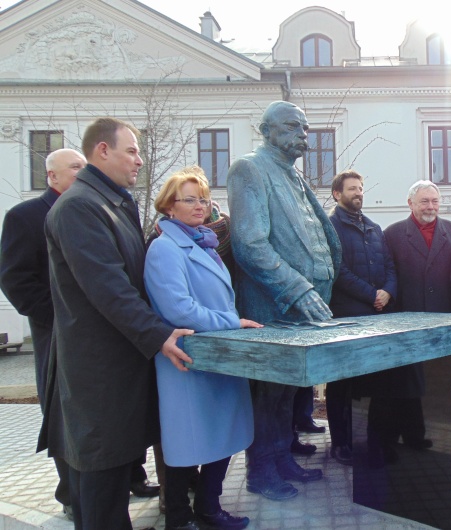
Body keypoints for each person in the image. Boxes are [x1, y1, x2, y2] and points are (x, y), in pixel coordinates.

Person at [39, 117, 194, 530]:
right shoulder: (79, 207)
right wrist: (159, 334)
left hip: (118, 366)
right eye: (131, 151)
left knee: (113, 476)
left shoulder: (111, 201)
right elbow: (109, 288)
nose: (140, 160)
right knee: (101, 484)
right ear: (102, 151)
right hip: (98, 374)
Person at [227, 101, 342, 501]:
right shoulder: (250, 169)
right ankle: (261, 470)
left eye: (306, 128)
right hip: (273, 302)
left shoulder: (294, 177)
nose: (303, 135)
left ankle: (281, 458)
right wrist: (297, 287)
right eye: (293, 126)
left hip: (306, 306)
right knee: (267, 392)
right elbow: (249, 244)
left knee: (288, 390)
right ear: (267, 130)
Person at [145, 166, 259, 530]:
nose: (200, 205)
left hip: (218, 357)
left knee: (223, 435)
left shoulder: (203, 243)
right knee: (186, 443)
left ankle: (209, 508)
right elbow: (176, 308)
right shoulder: (164, 248)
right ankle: (178, 519)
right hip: (188, 360)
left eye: (204, 199)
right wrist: (232, 322)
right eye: (189, 199)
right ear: (169, 207)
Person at [0, 148, 85, 519]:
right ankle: (70, 494)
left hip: (95, 333)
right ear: (52, 176)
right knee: (63, 413)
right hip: (55, 331)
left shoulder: (89, 210)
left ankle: (128, 479)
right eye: (75, 169)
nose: (83, 174)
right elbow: (16, 279)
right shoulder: (25, 216)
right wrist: (58, 315)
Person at [380, 180, 451, 459]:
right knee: (402, 383)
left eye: (434, 201)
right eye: (424, 201)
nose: (430, 207)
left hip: (442, 317)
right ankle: (390, 441)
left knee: (433, 381)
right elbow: (387, 274)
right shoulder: (392, 234)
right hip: (406, 319)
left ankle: (418, 435)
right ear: (411, 204)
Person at [327, 169, 397, 465]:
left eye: (361, 188)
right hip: (346, 317)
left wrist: (387, 293)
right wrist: (372, 294)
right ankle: (341, 443)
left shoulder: (374, 227)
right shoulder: (330, 227)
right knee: (342, 384)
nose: (358, 193)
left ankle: (371, 440)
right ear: (337, 194)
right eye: (352, 189)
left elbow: (391, 267)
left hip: (377, 316)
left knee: (374, 383)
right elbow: (337, 271)